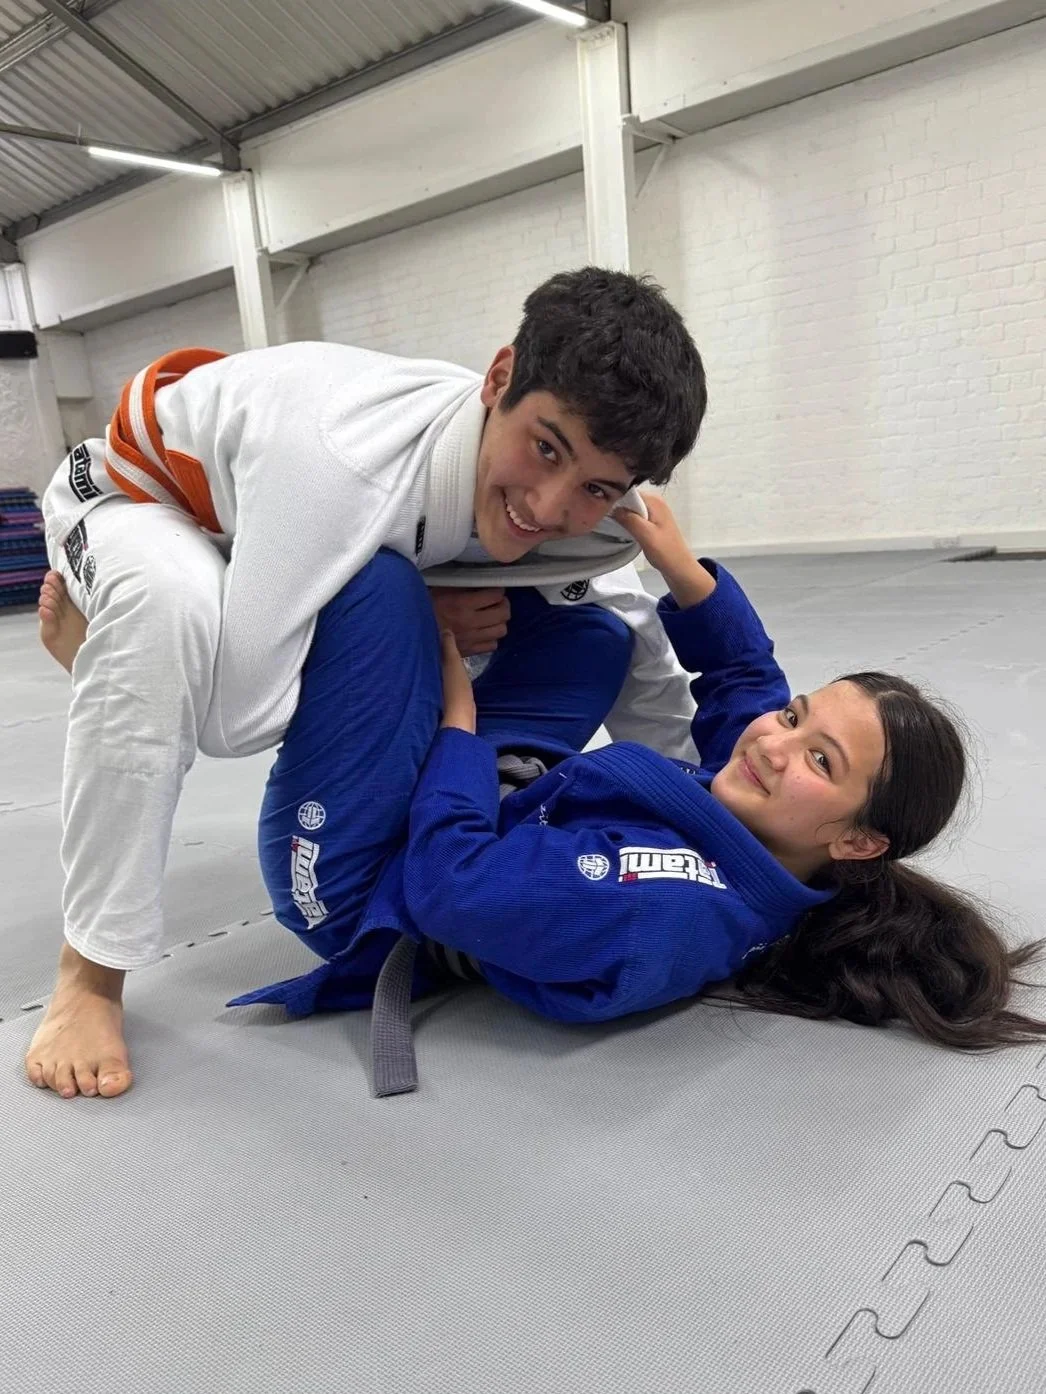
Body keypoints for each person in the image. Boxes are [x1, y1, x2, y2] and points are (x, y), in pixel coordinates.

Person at [26, 268, 708, 1100]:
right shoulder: (343, 464)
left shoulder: (592, 518)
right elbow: (237, 722)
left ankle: (428, 812)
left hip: (269, 525)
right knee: (170, 615)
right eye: (545, 447)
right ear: (498, 380)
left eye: (596, 487)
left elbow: (645, 658)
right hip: (144, 500)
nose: (550, 504)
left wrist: (707, 820)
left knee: (582, 628)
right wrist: (425, 617)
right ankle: (87, 976)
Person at [212, 494, 1046, 1095]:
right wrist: (682, 570)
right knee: (590, 634)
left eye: (818, 760)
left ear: (860, 840)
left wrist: (454, 719)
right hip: (505, 801)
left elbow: (452, 885)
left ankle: (159, 642)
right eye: (797, 718)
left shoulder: (670, 902)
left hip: (376, 884)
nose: (771, 740)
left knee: (382, 591)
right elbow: (745, 688)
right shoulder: (774, 832)